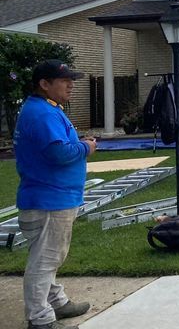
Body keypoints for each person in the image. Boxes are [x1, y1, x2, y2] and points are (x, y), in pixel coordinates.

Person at [14, 60, 96, 329]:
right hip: (49, 201)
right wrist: (85, 147)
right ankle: (40, 318)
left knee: (45, 257)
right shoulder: (41, 113)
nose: (71, 84)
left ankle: (57, 303)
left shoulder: (45, 109)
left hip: (49, 197)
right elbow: (58, 153)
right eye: (64, 80)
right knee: (45, 261)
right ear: (45, 84)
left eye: (71, 79)